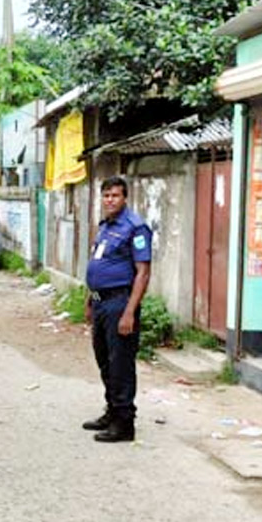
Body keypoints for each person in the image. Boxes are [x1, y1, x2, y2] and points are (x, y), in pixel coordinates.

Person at [81, 175, 152, 443]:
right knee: (104, 360)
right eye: (106, 195)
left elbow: (143, 273)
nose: (110, 200)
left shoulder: (135, 227)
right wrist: (90, 300)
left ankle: (124, 423)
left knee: (121, 363)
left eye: (115, 195)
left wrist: (129, 312)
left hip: (120, 303)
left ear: (125, 198)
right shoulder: (104, 226)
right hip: (101, 302)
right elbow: (97, 265)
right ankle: (112, 411)